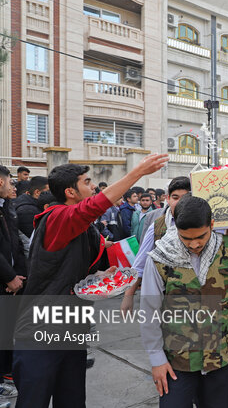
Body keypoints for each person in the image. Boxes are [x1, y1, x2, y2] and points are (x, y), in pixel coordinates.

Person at [11, 153, 168, 408]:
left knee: (72, 400)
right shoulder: (58, 218)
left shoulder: (86, 228)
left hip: (72, 329)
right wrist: (136, 173)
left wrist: (99, 276)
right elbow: (94, 206)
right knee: (33, 401)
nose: (93, 186)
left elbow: (73, 270)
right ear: (71, 192)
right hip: (41, 332)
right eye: (87, 182)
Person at [139, 195, 228, 408]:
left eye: (201, 236)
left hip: (220, 357)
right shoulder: (159, 258)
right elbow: (149, 312)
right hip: (178, 360)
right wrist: (157, 360)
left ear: (212, 224)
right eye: (186, 238)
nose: (194, 244)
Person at [121, 176, 192, 315]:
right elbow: (140, 264)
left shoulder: (206, 224)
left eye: (185, 197)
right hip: (166, 298)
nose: (180, 203)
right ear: (168, 198)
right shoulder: (158, 225)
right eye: (175, 197)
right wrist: (128, 296)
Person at [0, 166, 27, 403]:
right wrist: (9, 277)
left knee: (7, 332)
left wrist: (17, 276)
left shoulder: (7, 208)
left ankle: (5, 377)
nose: (13, 187)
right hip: (5, 281)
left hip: (9, 283)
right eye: (10, 182)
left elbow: (13, 245)